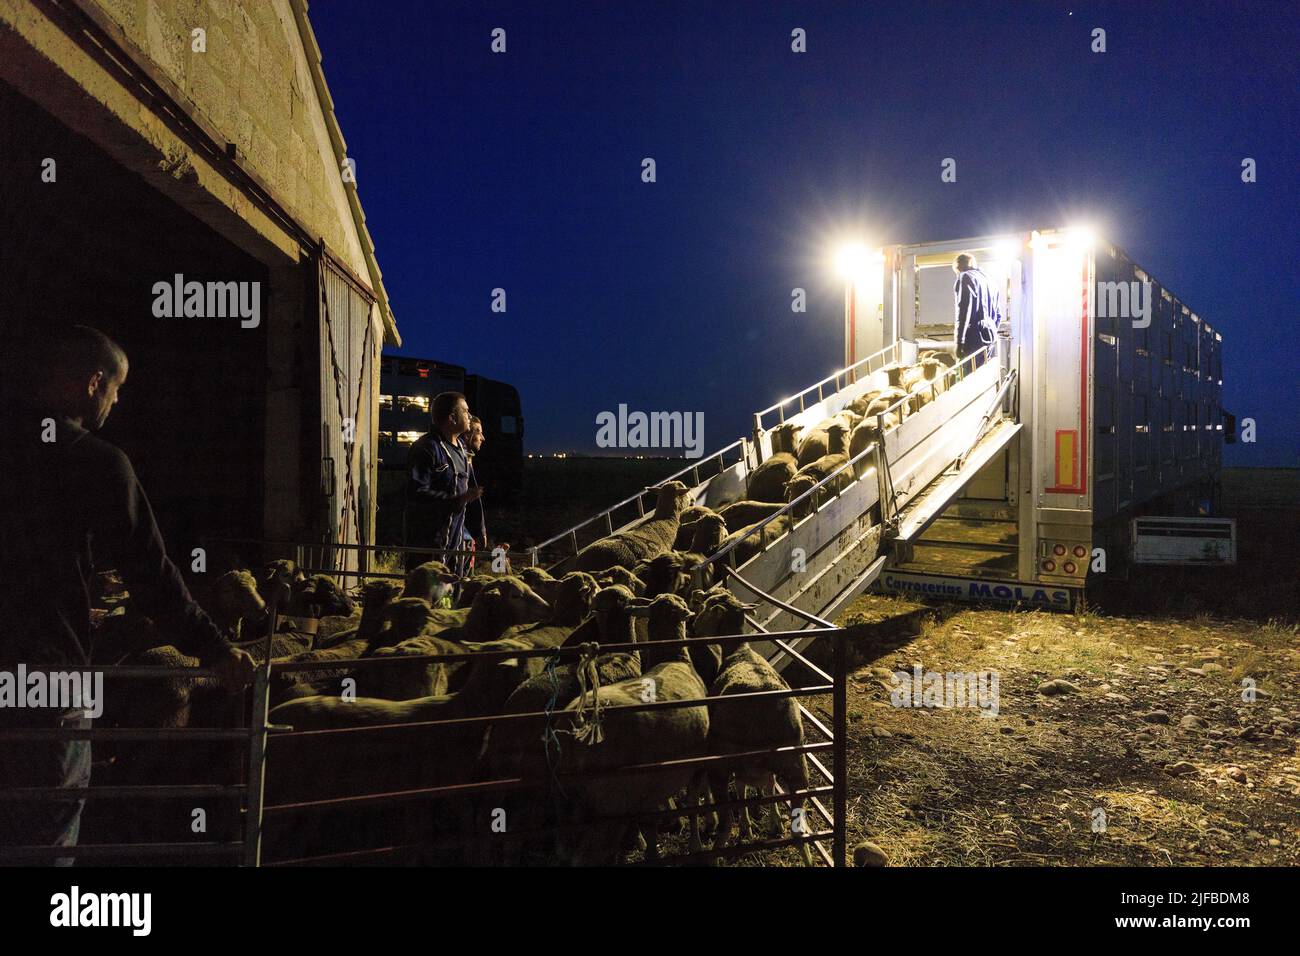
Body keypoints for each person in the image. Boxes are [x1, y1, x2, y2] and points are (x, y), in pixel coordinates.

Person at [0, 325, 256, 862]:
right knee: (43, 828)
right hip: (44, 676)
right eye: (116, 390)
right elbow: (153, 577)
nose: (116, 402)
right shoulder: (97, 463)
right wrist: (216, 649)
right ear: (93, 384)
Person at [403, 391, 483, 577]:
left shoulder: (462, 450)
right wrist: (456, 500)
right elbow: (416, 493)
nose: (469, 417)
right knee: (428, 595)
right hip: (428, 543)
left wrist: (478, 527)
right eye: (466, 412)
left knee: (452, 592)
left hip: (455, 542)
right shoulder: (427, 448)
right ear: (452, 418)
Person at [952, 253, 1001, 368]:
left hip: (972, 341)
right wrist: (991, 331)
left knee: (967, 380)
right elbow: (998, 315)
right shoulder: (991, 281)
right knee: (984, 378)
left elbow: (964, 311)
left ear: (958, 267)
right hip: (990, 338)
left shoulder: (965, 277)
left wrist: (960, 342)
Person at [461, 416, 489, 572]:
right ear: (467, 434)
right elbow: (473, 502)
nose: (482, 438)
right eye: (478, 431)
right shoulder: (464, 461)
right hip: (463, 534)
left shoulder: (466, 459)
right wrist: (480, 530)